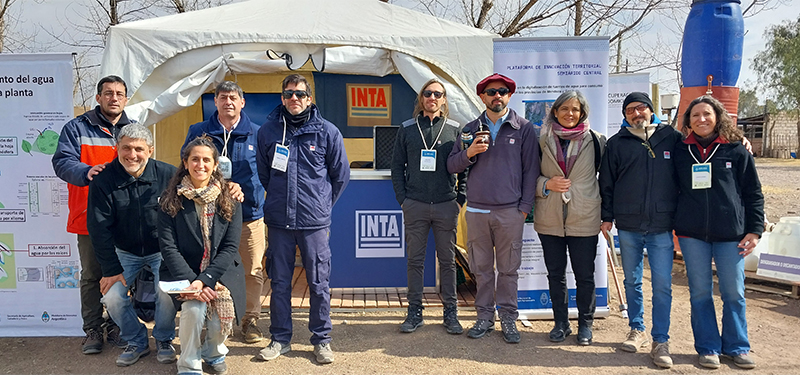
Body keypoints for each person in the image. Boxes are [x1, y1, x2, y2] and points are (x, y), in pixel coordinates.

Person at [255, 74, 350, 364]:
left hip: (314, 223)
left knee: (319, 282)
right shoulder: (268, 131)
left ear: (309, 98)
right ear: (282, 98)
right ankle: (280, 338)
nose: (293, 99)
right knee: (280, 282)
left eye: (299, 94)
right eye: (287, 94)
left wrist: (321, 206)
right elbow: (264, 174)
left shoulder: (327, 132)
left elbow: (340, 175)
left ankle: (321, 340)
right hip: (279, 222)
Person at [447, 73, 540, 344]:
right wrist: (470, 153)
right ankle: (484, 318)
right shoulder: (469, 129)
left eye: (501, 91)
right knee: (482, 269)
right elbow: (452, 165)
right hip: (476, 211)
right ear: (482, 97)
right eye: (491, 92)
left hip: (510, 211)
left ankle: (508, 319)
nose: (496, 96)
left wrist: (523, 209)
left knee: (509, 269)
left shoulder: (523, 128)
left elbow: (531, 171)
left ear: (509, 95)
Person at [673, 96, 764, 370]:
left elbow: (753, 193)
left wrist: (755, 230)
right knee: (700, 292)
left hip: (731, 235)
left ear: (718, 117)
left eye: (707, 114)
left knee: (733, 292)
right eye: (695, 115)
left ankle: (737, 347)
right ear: (688, 121)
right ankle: (708, 347)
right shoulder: (679, 150)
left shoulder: (736, 150)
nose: (701, 119)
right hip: (692, 235)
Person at [598, 92, 682, 368]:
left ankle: (661, 340)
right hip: (629, 224)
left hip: (661, 225)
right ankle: (637, 329)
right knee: (632, 281)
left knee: (662, 285)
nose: (637, 113)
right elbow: (607, 183)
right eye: (630, 110)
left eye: (641, 108)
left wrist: (737, 140)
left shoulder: (671, 137)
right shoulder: (617, 143)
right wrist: (606, 217)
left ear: (651, 110)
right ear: (624, 116)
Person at [52, 75, 133, 354]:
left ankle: (118, 325)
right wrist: (86, 171)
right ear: (98, 97)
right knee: (91, 275)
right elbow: (62, 162)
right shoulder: (77, 127)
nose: (114, 98)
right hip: (89, 217)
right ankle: (93, 329)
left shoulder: (133, 129)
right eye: (108, 93)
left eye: (119, 93)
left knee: (123, 273)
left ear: (125, 99)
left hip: (125, 219)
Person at [183, 81, 268, 344]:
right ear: (215, 102)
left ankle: (250, 320)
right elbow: (187, 166)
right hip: (207, 216)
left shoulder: (258, 133)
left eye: (233, 97)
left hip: (249, 214)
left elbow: (266, 172)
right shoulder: (199, 132)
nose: (228, 101)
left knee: (252, 269)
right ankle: (214, 319)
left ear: (243, 103)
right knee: (210, 268)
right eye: (222, 97)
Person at [87, 124, 178, 367]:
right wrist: (110, 270)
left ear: (150, 150)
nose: (132, 154)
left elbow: (201, 188)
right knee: (112, 296)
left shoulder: (170, 175)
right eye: (126, 148)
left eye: (139, 149)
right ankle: (136, 341)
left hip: (162, 251)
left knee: (166, 292)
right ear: (117, 148)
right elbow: (98, 228)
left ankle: (164, 339)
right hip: (124, 252)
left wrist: (231, 187)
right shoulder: (103, 180)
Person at [158, 135, 246, 375]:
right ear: (185, 162)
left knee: (218, 317)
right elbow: (168, 247)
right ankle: (188, 364)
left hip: (221, 271)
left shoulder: (231, 199)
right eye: (195, 159)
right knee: (194, 310)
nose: (201, 165)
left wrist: (205, 279)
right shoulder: (169, 200)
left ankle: (213, 353)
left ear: (215, 165)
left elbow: (230, 247)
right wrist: (193, 282)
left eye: (207, 160)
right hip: (182, 272)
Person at [391, 79, 467, 335]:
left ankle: (451, 313)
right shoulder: (407, 128)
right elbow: (397, 168)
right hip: (416, 205)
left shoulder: (455, 129)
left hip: (446, 204)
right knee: (415, 261)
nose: (432, 97)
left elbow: (465, 166)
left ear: (444, 100)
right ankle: (414, 312)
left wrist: (460, 199)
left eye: (438, 94)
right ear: (421, 98)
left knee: (447, 261)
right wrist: (404, 199)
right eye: (428, 93)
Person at [535, 90, 606, 346]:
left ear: (582, 113)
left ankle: (585, 325)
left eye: (575, 109)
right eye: (564, 109)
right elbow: (526, 175)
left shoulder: (597, 140)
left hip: (584, 216)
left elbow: (607, 180)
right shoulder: (540, 140)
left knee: (585, 274)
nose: (570, 114)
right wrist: (545, 184)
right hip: (550, 217)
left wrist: (607, 215)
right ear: (555, 111)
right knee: (556, 274)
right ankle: (561, 323)